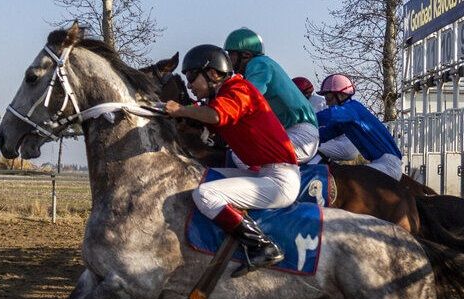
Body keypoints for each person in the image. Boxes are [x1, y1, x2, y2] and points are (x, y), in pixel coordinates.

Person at [165, 44, 300, 277]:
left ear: (213, 73)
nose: (189, 85)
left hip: (280, 181)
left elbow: (215, 115)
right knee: (201, 178)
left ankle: (263, 246)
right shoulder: (224, 95)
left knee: (205, 194)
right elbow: (207, 118)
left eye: (192, 77)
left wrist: (180, 110)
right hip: (265, 173)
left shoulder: (239, 89)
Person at [223, 28, 319, 164]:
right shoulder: (259, 66)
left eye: (231, 54)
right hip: (295, 132)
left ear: (246, 55)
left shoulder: (259, 64)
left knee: (240, 156)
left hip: (300, 134)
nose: (228, 61)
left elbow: (248, 98)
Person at [315, 74, 403, 181]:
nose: (327, 103)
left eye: (329, 99)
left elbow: (328, 116)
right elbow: (323, 134)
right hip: (381, 163)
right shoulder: (346, 120)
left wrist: (302, 118)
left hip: (388, 165)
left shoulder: (352, 108)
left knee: (346, 178)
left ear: (341, 96)